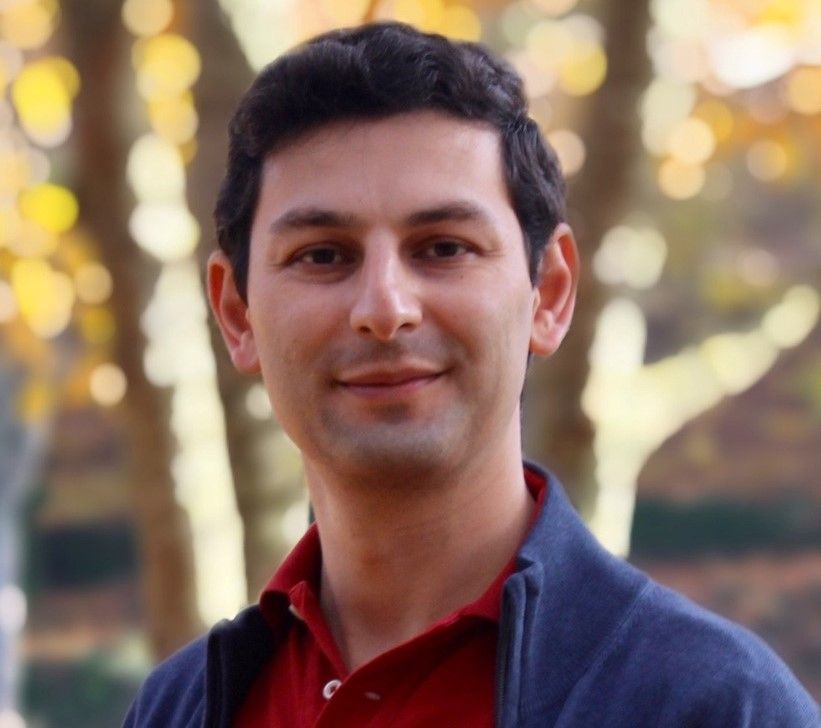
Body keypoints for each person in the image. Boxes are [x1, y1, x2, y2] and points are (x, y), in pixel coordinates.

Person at [124, 22, 818, 727]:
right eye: (323, 255)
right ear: (237, 315)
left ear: (549, 294)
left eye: (444, 248)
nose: (384, 310)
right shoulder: (178, 708)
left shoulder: (716, 706)